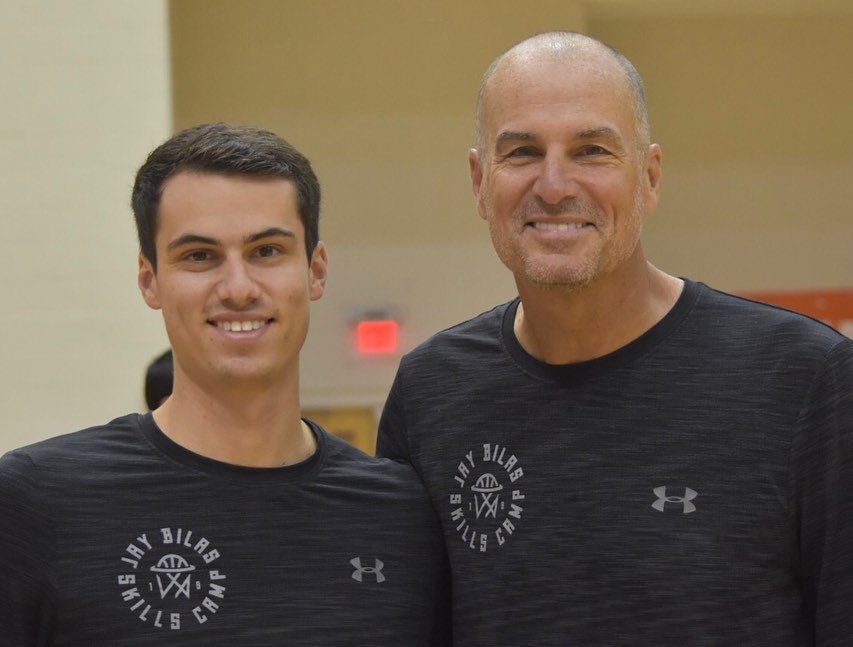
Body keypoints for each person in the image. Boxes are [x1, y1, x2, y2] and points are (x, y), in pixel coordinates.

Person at [377, 31, 853, 646]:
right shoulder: (429, 394)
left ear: (650, 178)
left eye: (592, 150)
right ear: (478, 182)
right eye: (521, 152)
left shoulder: (805, 378)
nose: (554, 185)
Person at [0, 123, 450, 645]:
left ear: (316, 271)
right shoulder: (38, 502)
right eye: (199, 256)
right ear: (150, 280)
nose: (238, 288)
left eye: (266, 252)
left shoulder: (400, 515)